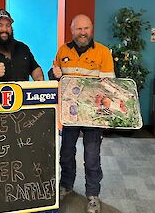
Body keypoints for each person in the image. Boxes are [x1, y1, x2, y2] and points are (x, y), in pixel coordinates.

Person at [49, 14, 115, 213]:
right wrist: (54, 73)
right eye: (79, 29)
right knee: (66, 153)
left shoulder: (103, 52)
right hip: (69, 114)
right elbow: (53, 73)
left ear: (91, 29)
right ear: (72, 30)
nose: (83, 32)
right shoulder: (63, 50)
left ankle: (93, 194)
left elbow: (109, 87)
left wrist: (104, 115)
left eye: (86, 28)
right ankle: (66, 186)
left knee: (92, 156)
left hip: (93, 115)